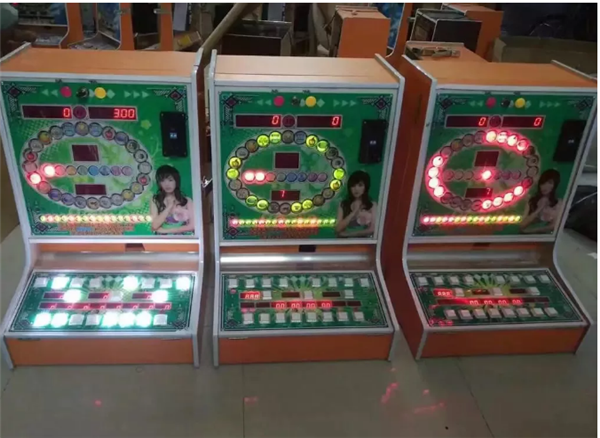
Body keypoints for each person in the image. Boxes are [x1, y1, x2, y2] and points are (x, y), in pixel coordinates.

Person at [150, 165, 194, 234]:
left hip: (183, 239)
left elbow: (192, 226)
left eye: (170, 180)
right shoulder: (155, 200)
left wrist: (166, 230)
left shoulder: (187, 201)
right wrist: (169, 207)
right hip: (162, 240)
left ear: (176, 181)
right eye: (162, 181)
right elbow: (154, 226)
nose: (167, 184)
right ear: (159, 183)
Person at [335, 170, 377, 238]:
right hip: (346, 243)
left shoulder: (372, 205)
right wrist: (353, 213)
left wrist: (348, 234)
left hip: (365, 242)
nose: (356, 189)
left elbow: (372, 229)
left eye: (360, 185)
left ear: (365, 187)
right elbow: (337, 229)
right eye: (353, 186)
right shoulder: (343, 204)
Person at [520, 169, 563, 234]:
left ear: (555, 185)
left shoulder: (559, 203)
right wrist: (539, 209)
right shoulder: (532, 201)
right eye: (542, 183)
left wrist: (531, 231)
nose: (545, 186)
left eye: (550, 183)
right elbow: (522, 225)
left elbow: (553, 226)